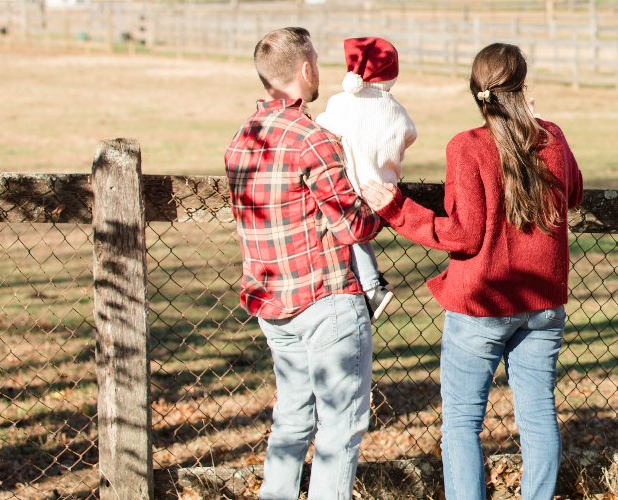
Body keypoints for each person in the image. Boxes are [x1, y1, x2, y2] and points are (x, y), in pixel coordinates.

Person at [359, 42, 583, 500]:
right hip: (543, 304)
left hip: (482, 304)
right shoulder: (551, 137)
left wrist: (398, 209)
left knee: (462, 422)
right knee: (537, 415)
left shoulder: (468, 147)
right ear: (522, 86)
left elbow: (463, 234)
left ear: (475, 91)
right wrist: (540, 126)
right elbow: (573, 193)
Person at [224, 27, 382, 500]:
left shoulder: (241, 140)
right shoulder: (311, 138)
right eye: (316, 61)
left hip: (272, 302)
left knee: (291, 419)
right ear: (305, 69)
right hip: (325, 297)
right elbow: (353, 226)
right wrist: (381, 204)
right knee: (340, 428)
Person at [316, 36, 418, 319]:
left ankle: (371, 287)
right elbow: (410, 134)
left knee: (348, 232)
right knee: (358, 236)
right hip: (385, 192)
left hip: (351, 187)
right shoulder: (395, 109)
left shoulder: (339, 103)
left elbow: (320, 129)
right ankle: (371, 285)